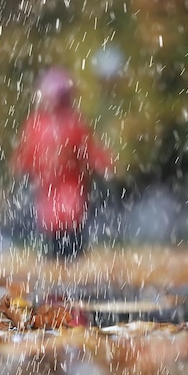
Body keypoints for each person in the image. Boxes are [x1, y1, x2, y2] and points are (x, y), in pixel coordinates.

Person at [10, 67, 114, 258]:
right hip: (73, 205)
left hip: (47, 211)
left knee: (51, 261)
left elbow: (22, 162)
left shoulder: (34, 126)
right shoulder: (74, 124)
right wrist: (106, 164)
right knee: (74, 260)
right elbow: (92, 155)